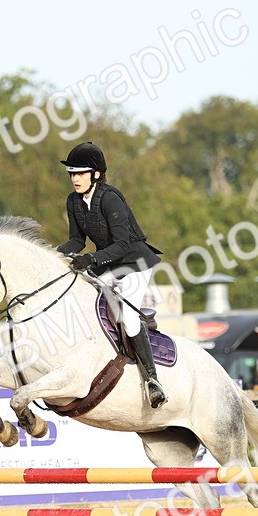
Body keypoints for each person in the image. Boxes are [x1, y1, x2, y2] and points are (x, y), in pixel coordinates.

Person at [57, 141, 168, 408]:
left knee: (128, 316)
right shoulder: (73, 201)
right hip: (107, 262)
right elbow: (76, 241)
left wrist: (91, 259)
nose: (75, 179)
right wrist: (54, 254)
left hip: (133, 261)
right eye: (72, 173)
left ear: (95, 174)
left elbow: (123, 244)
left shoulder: (110, 198)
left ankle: (153, 380)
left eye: (81, 173)